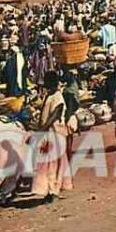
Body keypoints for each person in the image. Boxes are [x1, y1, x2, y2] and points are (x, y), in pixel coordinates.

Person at [32, 71, 73, 203]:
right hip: (48, 133)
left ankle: (54, 191)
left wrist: (42, 130)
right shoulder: (49, 96)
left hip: (55, 134)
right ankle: (49, 190)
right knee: (48, 163)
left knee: (54, 164)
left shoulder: (58, 97)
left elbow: (55, 115)